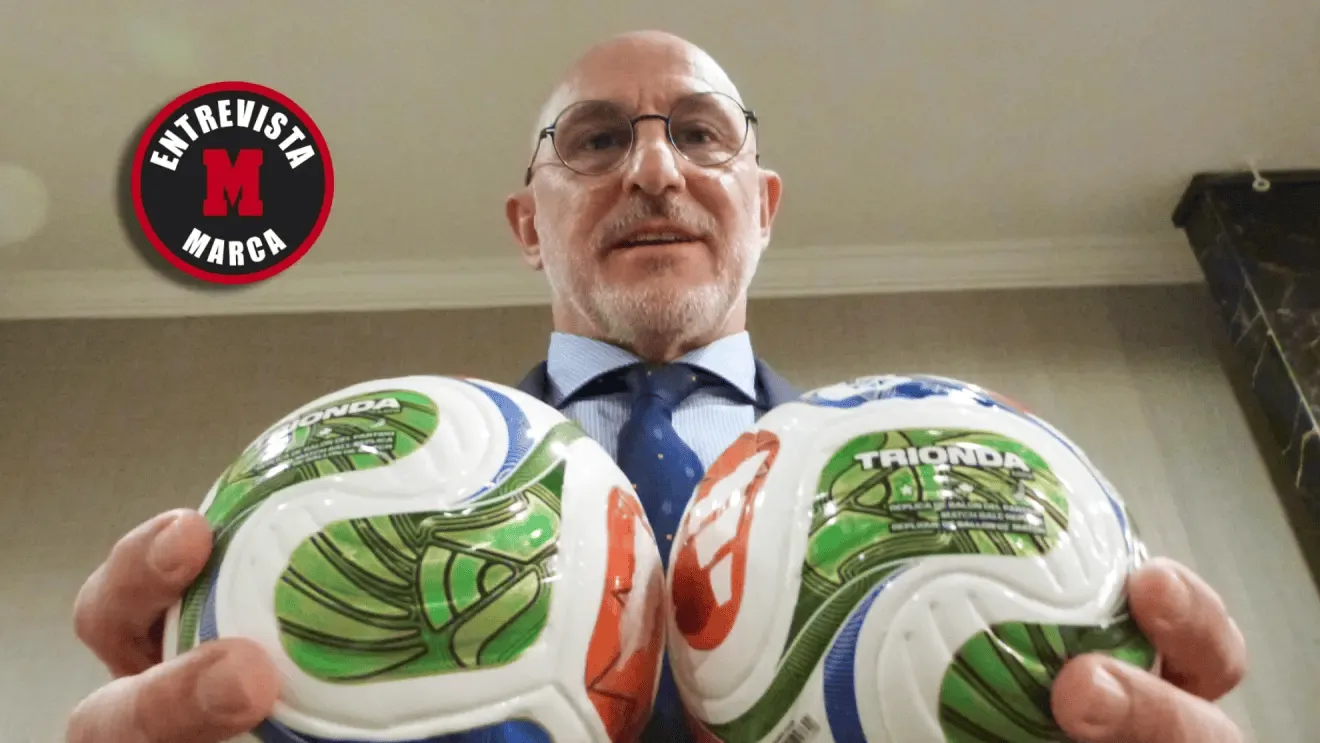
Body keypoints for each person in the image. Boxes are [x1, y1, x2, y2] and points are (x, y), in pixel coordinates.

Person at [67, 30, 1249, 743]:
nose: (650, 167)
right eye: (593, 140)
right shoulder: (329, 508)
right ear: (528, 224)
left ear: (762, 206)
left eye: (699, 133)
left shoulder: (978, 494)